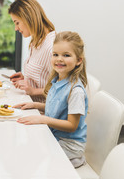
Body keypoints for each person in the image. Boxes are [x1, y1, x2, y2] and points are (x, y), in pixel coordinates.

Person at [14, 31, 88, 168]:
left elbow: (72, 126)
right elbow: (57, 106)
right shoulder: (57, 80)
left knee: (28, 155)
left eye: (66, 55)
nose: (59, 59)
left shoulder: (75, 91)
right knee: (24, 144)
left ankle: (74, 160)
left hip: (69, 144)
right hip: (56, 136)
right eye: (55, 55)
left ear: (78, 60)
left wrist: (43, 119)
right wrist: (35, 104)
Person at [8, 0, 56, 102]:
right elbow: (44, 78)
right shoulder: (37, 42)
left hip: (43, 111)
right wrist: (26, 78)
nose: (16, 28)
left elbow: (61, 90)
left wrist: (33, 91)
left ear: (27, 17)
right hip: (30, 103)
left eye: (17, 23)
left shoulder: (51, 47)